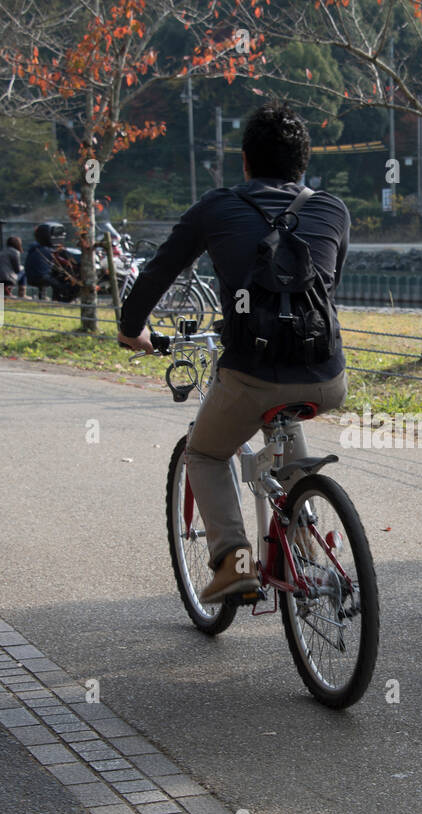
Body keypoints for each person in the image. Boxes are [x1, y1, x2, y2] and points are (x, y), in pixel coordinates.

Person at [118, 103, 350, 602]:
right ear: (303, 164)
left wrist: (131, 329)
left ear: (244, 161)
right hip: (328, 374)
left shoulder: (216, 207)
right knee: (282, 415)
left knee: (205, 451)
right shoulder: (332, 209)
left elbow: (158, 272)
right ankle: (306, 543)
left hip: (251, 372)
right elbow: (326, 289)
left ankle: (236, 562)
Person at [25, 223, 78, 302]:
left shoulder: (35, 248)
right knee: (61, 283)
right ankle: (59, 299)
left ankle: (50, 298)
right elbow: (59, 260)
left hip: (31, 276)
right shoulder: (47, 250)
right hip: (41, 276)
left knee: (55, 278)